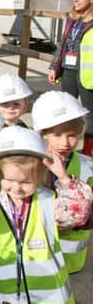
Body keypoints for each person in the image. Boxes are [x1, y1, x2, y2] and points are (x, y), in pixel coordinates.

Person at [0, 126, 92, 303]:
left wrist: (63, 177)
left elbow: (78, 214)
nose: (17, 187)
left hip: (50, 297)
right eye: (9, 180)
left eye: (26, 182)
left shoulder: (48, 202)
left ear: (40, 175)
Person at [32, 90, 93, 274]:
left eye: (72, 135)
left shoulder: (88, 166)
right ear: (42, 134)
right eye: (57, 135)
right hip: (36, 261)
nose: (65, 142)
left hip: (71, 263)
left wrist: (64, 177)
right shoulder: (30, 163)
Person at [49, 0, 93, 155]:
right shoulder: (72, 20)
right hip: (68, 70)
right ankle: (63, 146)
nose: (76, 0)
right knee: (67, 110)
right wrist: (55, 67)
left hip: (88, 74)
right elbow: (63, 45)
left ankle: (88, 152)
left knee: (89, 114)